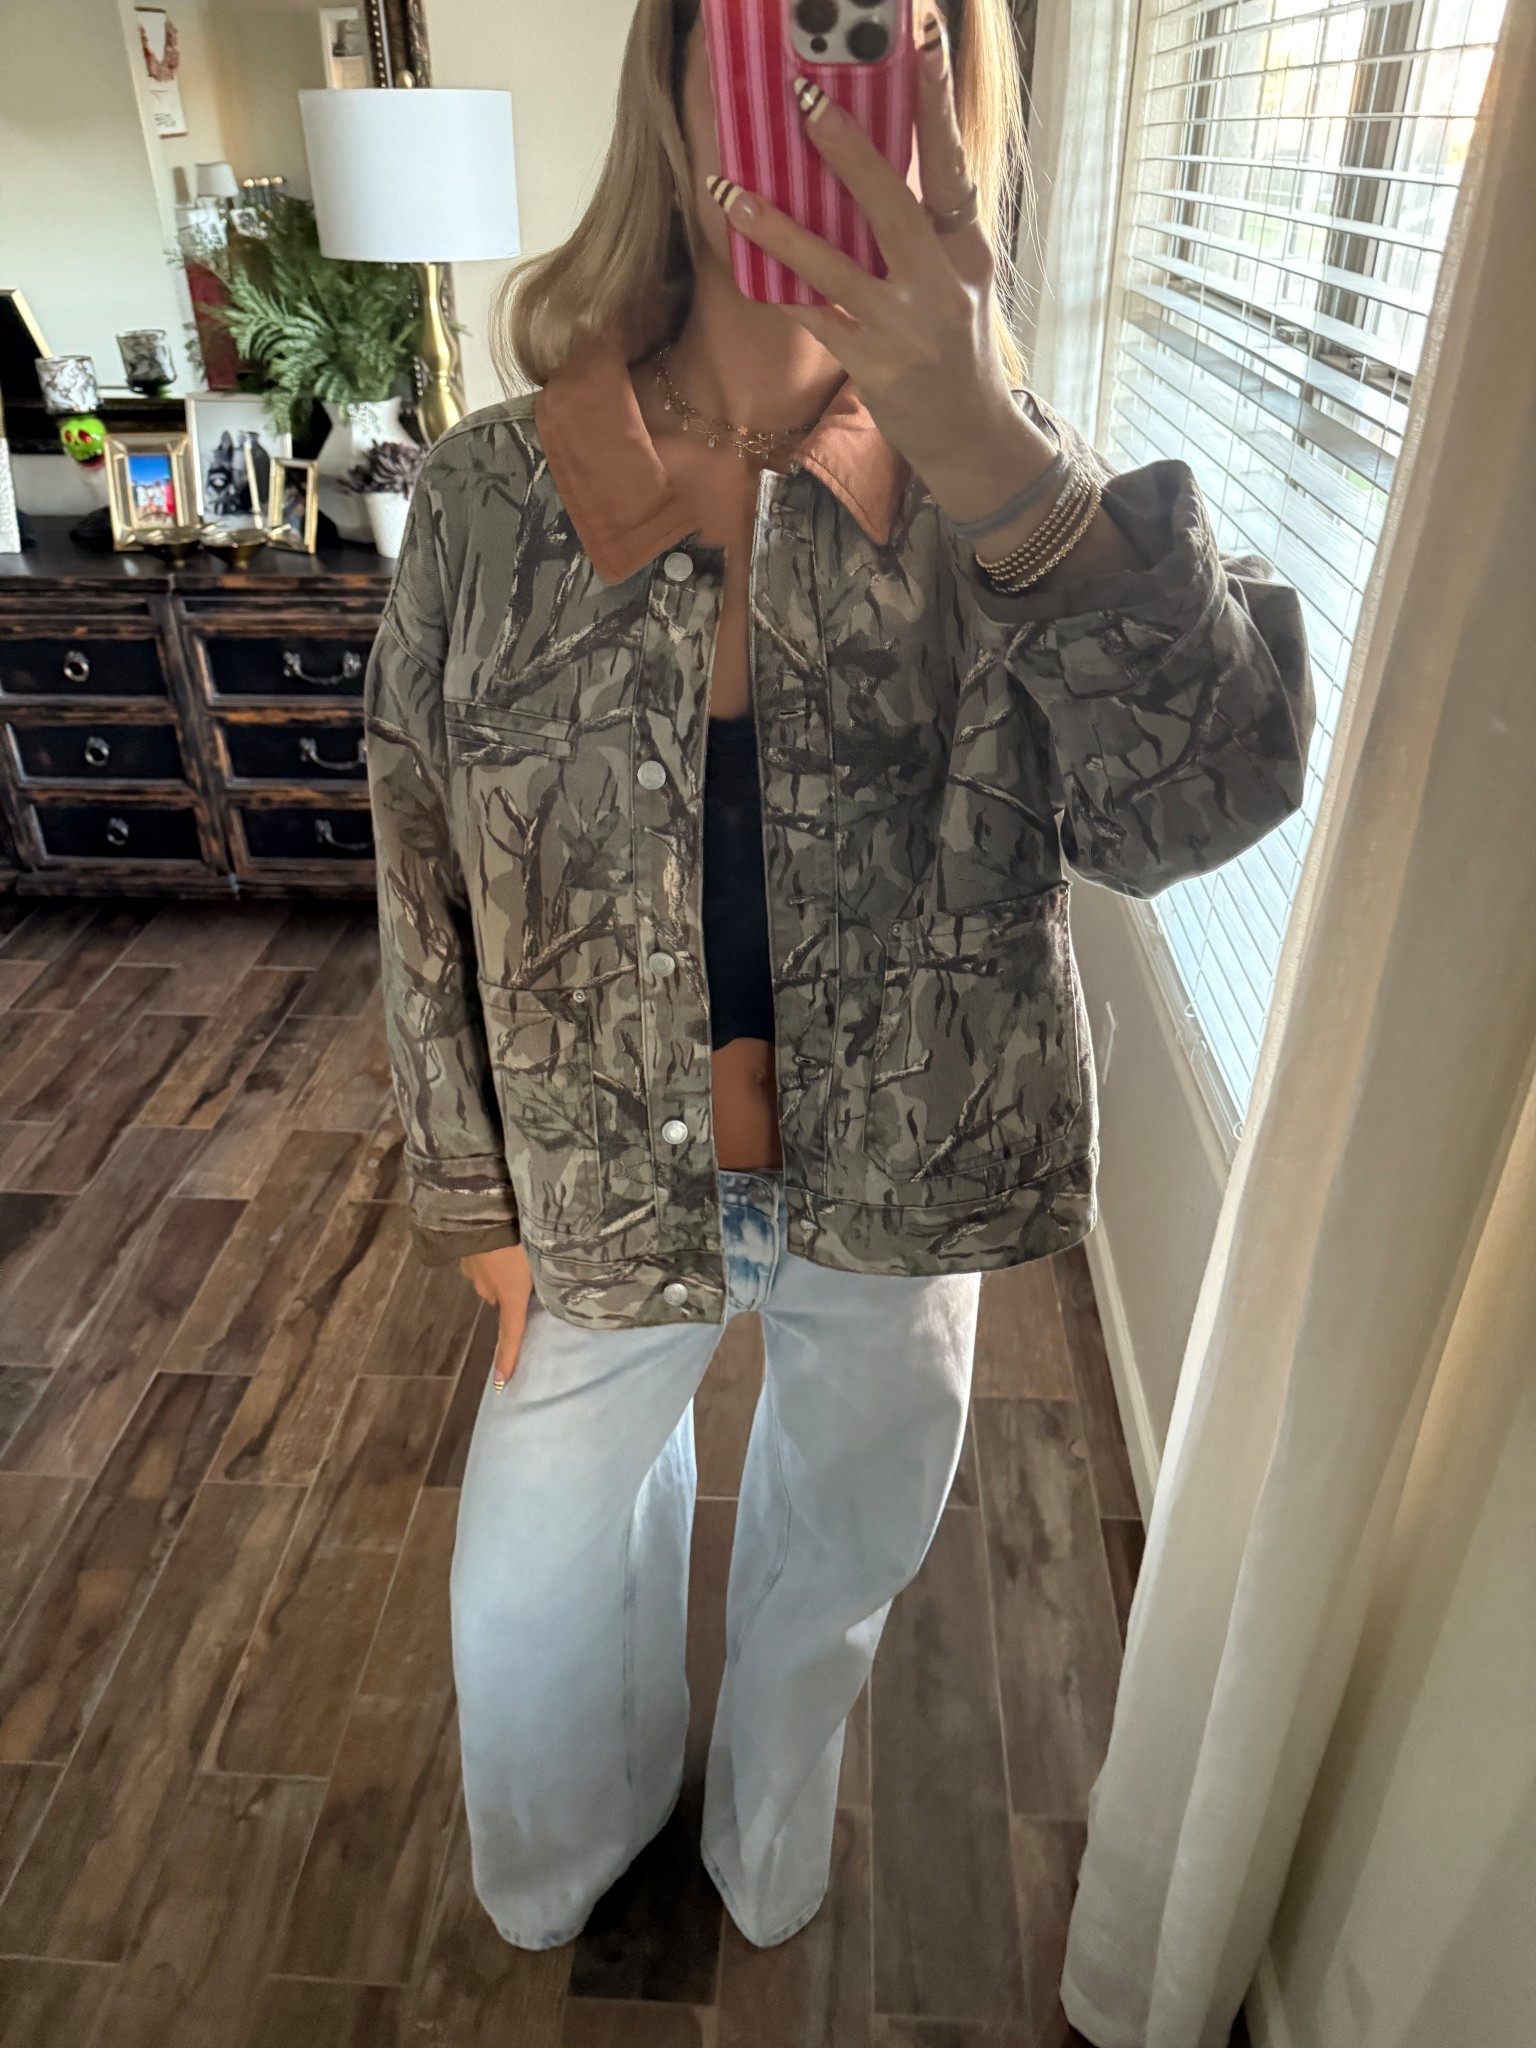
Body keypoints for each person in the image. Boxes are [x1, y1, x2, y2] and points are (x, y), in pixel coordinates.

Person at [364, 0, 1312, 1956]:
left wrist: (983, 447)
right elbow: (414, 841)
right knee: (529, 1590)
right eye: (767, 18)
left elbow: (1200, 804)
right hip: (596, 1179)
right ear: (671, 66)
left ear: (953, 88)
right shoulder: (488, 496)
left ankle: (767, 1833)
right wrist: (467, 1186)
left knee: (841, 1551)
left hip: (903, 1184)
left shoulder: (1011, 503)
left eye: (877, 26)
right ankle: (571, 1854)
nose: (815, 77)